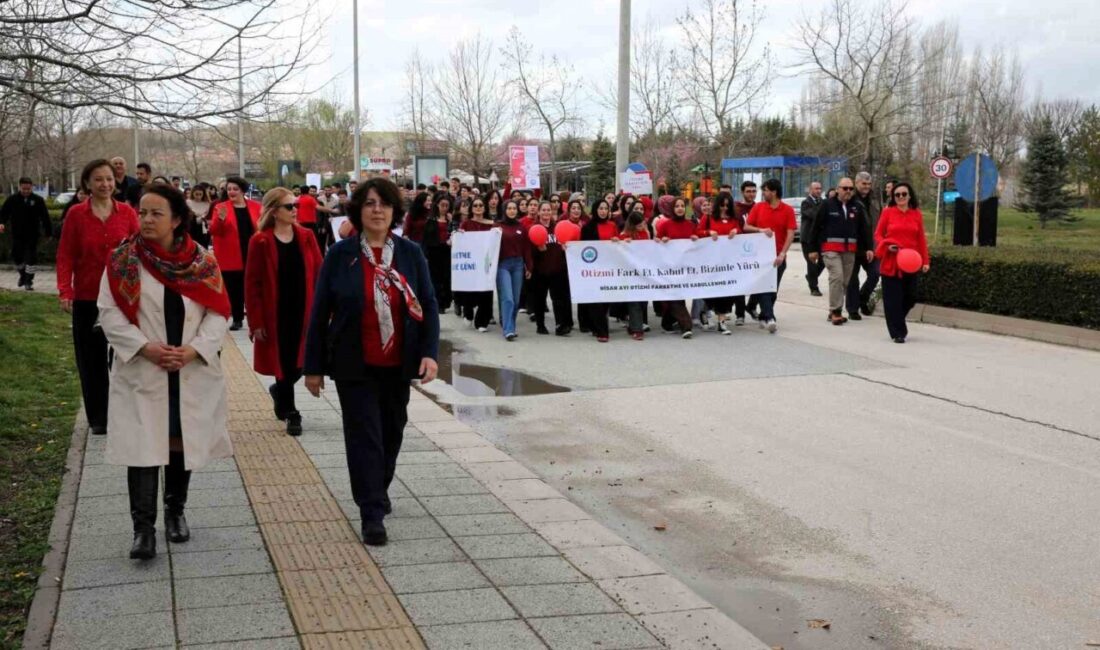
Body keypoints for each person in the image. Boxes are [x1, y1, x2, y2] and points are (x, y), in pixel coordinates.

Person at [97, 183, 232, 560]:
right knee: (142, 446)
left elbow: (219, 311)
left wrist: (194, 350)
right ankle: (143, 530)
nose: (147, 219)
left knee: (178, 439)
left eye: (157, 213)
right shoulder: (124, 260)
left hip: (189, 368)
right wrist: (146, 348)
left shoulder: (202, 262)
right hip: (144, 367)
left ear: (177, 219)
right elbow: (108, 312)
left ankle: (175, 512)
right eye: (142, 212)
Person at [303, 177, 439, 546]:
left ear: (394, 211)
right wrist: (312, 367)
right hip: (353, 362)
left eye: (384, 203)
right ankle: (371, 511)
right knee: (365, 436)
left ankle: (377, 487)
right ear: (358, 210)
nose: (377, 209)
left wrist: (430, 353)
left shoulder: (410, 253)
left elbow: (427, 305)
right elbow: (319, 312)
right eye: (369, 203)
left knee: (392, 431)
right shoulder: (340, 255)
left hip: (399, 362)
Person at [57, 159, 140, 436]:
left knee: (127, 356)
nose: (105, 184)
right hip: (87, 296)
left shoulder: (128, 213)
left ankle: (127, 412)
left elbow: (140, 250)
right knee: (91, 360)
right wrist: (64, 290)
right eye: (98, 180)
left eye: (108, 179)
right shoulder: (76, 215)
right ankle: (99, 417)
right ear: (87, 184)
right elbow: (65, 255)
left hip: (123, 298)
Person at [245, 188, 323, 436]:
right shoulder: (260, 241)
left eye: (295, 205)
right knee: (284, 360)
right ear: (274, 212)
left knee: (301, 362)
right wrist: (255, 320)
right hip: (275, 312)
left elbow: (320, 273)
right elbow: (252, 283)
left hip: (305, 309)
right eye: (289, 206)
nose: (295, 210)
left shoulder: (307, 236)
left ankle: (279, 390)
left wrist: (327, 308)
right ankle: (291, 412)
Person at [806, 177, 872, 325]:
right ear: (837, 189)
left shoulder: (857, 206)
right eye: (845, 188)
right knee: (837, 276)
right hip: (830, 250)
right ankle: (836, 311)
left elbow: (864, 229)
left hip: (849, 250)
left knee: (845, 281)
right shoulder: (827, 205)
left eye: (850, 188)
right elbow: (815, 227)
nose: (848, 191)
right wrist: (812, 249)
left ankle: (833, 310)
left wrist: (869, 248)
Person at [875, 182, 930, 343]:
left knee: (910, 297)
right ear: (893, 197)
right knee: (893, 299)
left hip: (911, 262)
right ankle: (898, 332)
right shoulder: (888, 213)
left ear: (909, 196)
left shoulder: (916, 214)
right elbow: (878, 235)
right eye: (897, 195)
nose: (900, 197)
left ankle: (896, 319)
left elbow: (921, 239)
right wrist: (887, 244)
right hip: (891, 261)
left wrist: (925, 261)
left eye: (904, 194)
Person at [745, 179, 797, 334]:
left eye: (766, 190)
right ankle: (769, 317)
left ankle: (759, 312)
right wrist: (760, 230)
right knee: (764, 287)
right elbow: (746, 226)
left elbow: (791, 233)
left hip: (778, 257)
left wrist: (783, 253)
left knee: (772, 290)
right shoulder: (759, 207)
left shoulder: (787, 210)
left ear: (774, 192)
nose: (763, 193)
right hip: (759, 257)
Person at [208, 176, 260, 330]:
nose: (231, 192)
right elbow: (214, 231)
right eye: (229, 189)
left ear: (242, 191)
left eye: (235, 189)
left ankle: (254, 319)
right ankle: (237, 318)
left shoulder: (256, 206)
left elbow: (262, 226)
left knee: (252, 287)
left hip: (252, 251)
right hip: (230, 254)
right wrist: (221, 220)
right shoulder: (221, 207)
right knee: (234, 288)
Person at [698, 192, 744, 334]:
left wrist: (736, 230)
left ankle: (721, 322)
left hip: (729, 262)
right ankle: (706, 309)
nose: (724, 208)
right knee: (713, 290)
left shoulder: (734, 219)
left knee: (727, 292)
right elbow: (698, 232)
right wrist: (708, 232)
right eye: (722, 205)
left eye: (727, 205)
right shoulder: (708, 217)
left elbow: (740, 231)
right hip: (712, 262)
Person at [654, 197, 697, 339]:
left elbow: (699, 238)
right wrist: (662, 241)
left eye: (682, 206)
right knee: (675, 296)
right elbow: (656, 243)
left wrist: (696, 237)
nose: (680, 208)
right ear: (672, 209)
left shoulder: (691, 224)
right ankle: (686, 325)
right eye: (677, 206)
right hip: (669, 267)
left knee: (678, 295)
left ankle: (667, 323)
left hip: (685, 267)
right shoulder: (665, 225)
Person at [529, 201, 573, 336]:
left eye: (548, 210)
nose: (546, 213)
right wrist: (538, 250)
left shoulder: (557, 228)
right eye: (543, 210)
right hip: (540, 271)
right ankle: (540, 324)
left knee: (558, 299)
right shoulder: (534, 228)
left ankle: (560, 325)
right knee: (540, 299)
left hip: (557, 270)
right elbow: (529, 250)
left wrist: (566, 247)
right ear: (539, 212)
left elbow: (565, 243)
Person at [0, 177, 52, 290]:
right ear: (20, 187)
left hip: (32, 234)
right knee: (16, 256)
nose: (26, 191)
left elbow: (45, 217)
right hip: (17, 234)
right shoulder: (12, 199)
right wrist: (1, 223)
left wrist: (48, 232)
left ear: (31, 187)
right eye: (24, 189)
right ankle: (23, 275)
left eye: (28, 189)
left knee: (31, 258)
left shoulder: (38, 200)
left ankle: (29, 281)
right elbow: (3, 213)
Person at [579, 198, 620, 341]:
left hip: (609, 269)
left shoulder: (613, 225)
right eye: (600, 208)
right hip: (593, 270)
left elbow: (619, 244)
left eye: (606, 209)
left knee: (606, 300)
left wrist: (618, 241)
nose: (603, 211)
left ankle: (597, 326)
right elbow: (582, 248)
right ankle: (602, 331)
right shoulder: (587, 227)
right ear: (595, 210)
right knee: (595, 300)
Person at [496, 199, 532, 341]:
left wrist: (529, 266)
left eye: (514, 208)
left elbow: (526, 248)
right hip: (502, 265)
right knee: (508, 298)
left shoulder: (521, 227)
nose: (512, 211)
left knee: (516, 300)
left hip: (518, 264)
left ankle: (510, 324)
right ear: (504, 210)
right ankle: (508, 329)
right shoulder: (497, 226)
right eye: (509, 208)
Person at [458, 197, 496, 331]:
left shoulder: (492, 224)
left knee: (486, 291)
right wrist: (459, 235)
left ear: (485, 208)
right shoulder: (466, 224)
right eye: (475, 205)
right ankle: (468, 312)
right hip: (471, 262)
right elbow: (459, 241)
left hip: (486, 262)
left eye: (480, 205)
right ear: (471, 208)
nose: (478, 207)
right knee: (470, 290)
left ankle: (482, 322)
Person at [847, 171, 881, 320]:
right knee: (852, 279)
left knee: (875, 274)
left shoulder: (875, 199)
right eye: (863, 184)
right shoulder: (849, 198)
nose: (867, 187)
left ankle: (862, 298)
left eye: (869, 184)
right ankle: (852, 309)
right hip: (852, 247)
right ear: (856, 183)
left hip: (871, 246)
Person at [617, 211, 651, 341]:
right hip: (630, 273)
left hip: (643, 272)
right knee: (634, 301)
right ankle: (637, 329)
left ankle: (633, 325)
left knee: (643, 301)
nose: (641, 227)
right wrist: (622, 243)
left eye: (642, 224)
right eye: (638, 225)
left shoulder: (646, 233)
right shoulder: (624, 235)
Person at [421, 191, 453, 314]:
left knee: (446, 277)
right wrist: (425, 254)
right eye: (442, 205)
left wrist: (451, 221)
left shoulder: (450, 219)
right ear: (437, 205)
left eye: (447, 205)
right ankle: (439, 302)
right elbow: (426, 238)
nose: (445, 208)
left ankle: (446, 300)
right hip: (434, 251)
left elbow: (455, 232)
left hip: (447, 250)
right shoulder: (430, 219)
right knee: (436, 277)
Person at [800, 182, 826, 296]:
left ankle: (810, 277)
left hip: (819, 238)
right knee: (811, 262)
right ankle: (814, 288)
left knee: (824, 261)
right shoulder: (806, 203)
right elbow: (814, 215)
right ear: (810, 190)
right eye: (816, 189)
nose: (819, 191)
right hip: (807, 238)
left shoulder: (822, 202)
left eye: (820, 189)